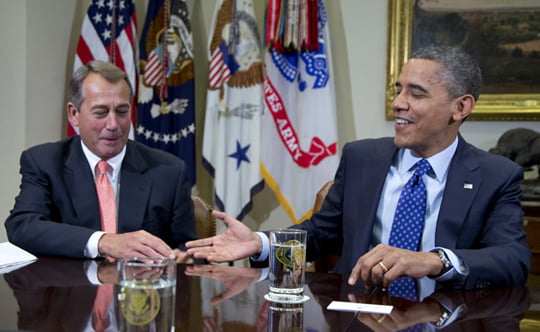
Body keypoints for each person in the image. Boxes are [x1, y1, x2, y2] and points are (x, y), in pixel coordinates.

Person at [186, 45, 530, 290]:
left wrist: (434, 261)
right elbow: (322, 234)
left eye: (417, 93)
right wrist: (260, 243)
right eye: (398, 90)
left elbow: (512, 259)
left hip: (442, 317)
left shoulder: (495, 175)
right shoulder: (363, 158)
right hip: (357, 312)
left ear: (461, 107)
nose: (398, 103)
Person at [5, 60, 197, 262]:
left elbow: (189, 248)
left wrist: (184, 258)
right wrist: (104, 242)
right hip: (71, 290)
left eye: (122, 112)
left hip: (140, 290)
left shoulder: (168, 170)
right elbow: (23, 226)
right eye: (100, 112)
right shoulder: (44, 162)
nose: (113, 124)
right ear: (74, 114)